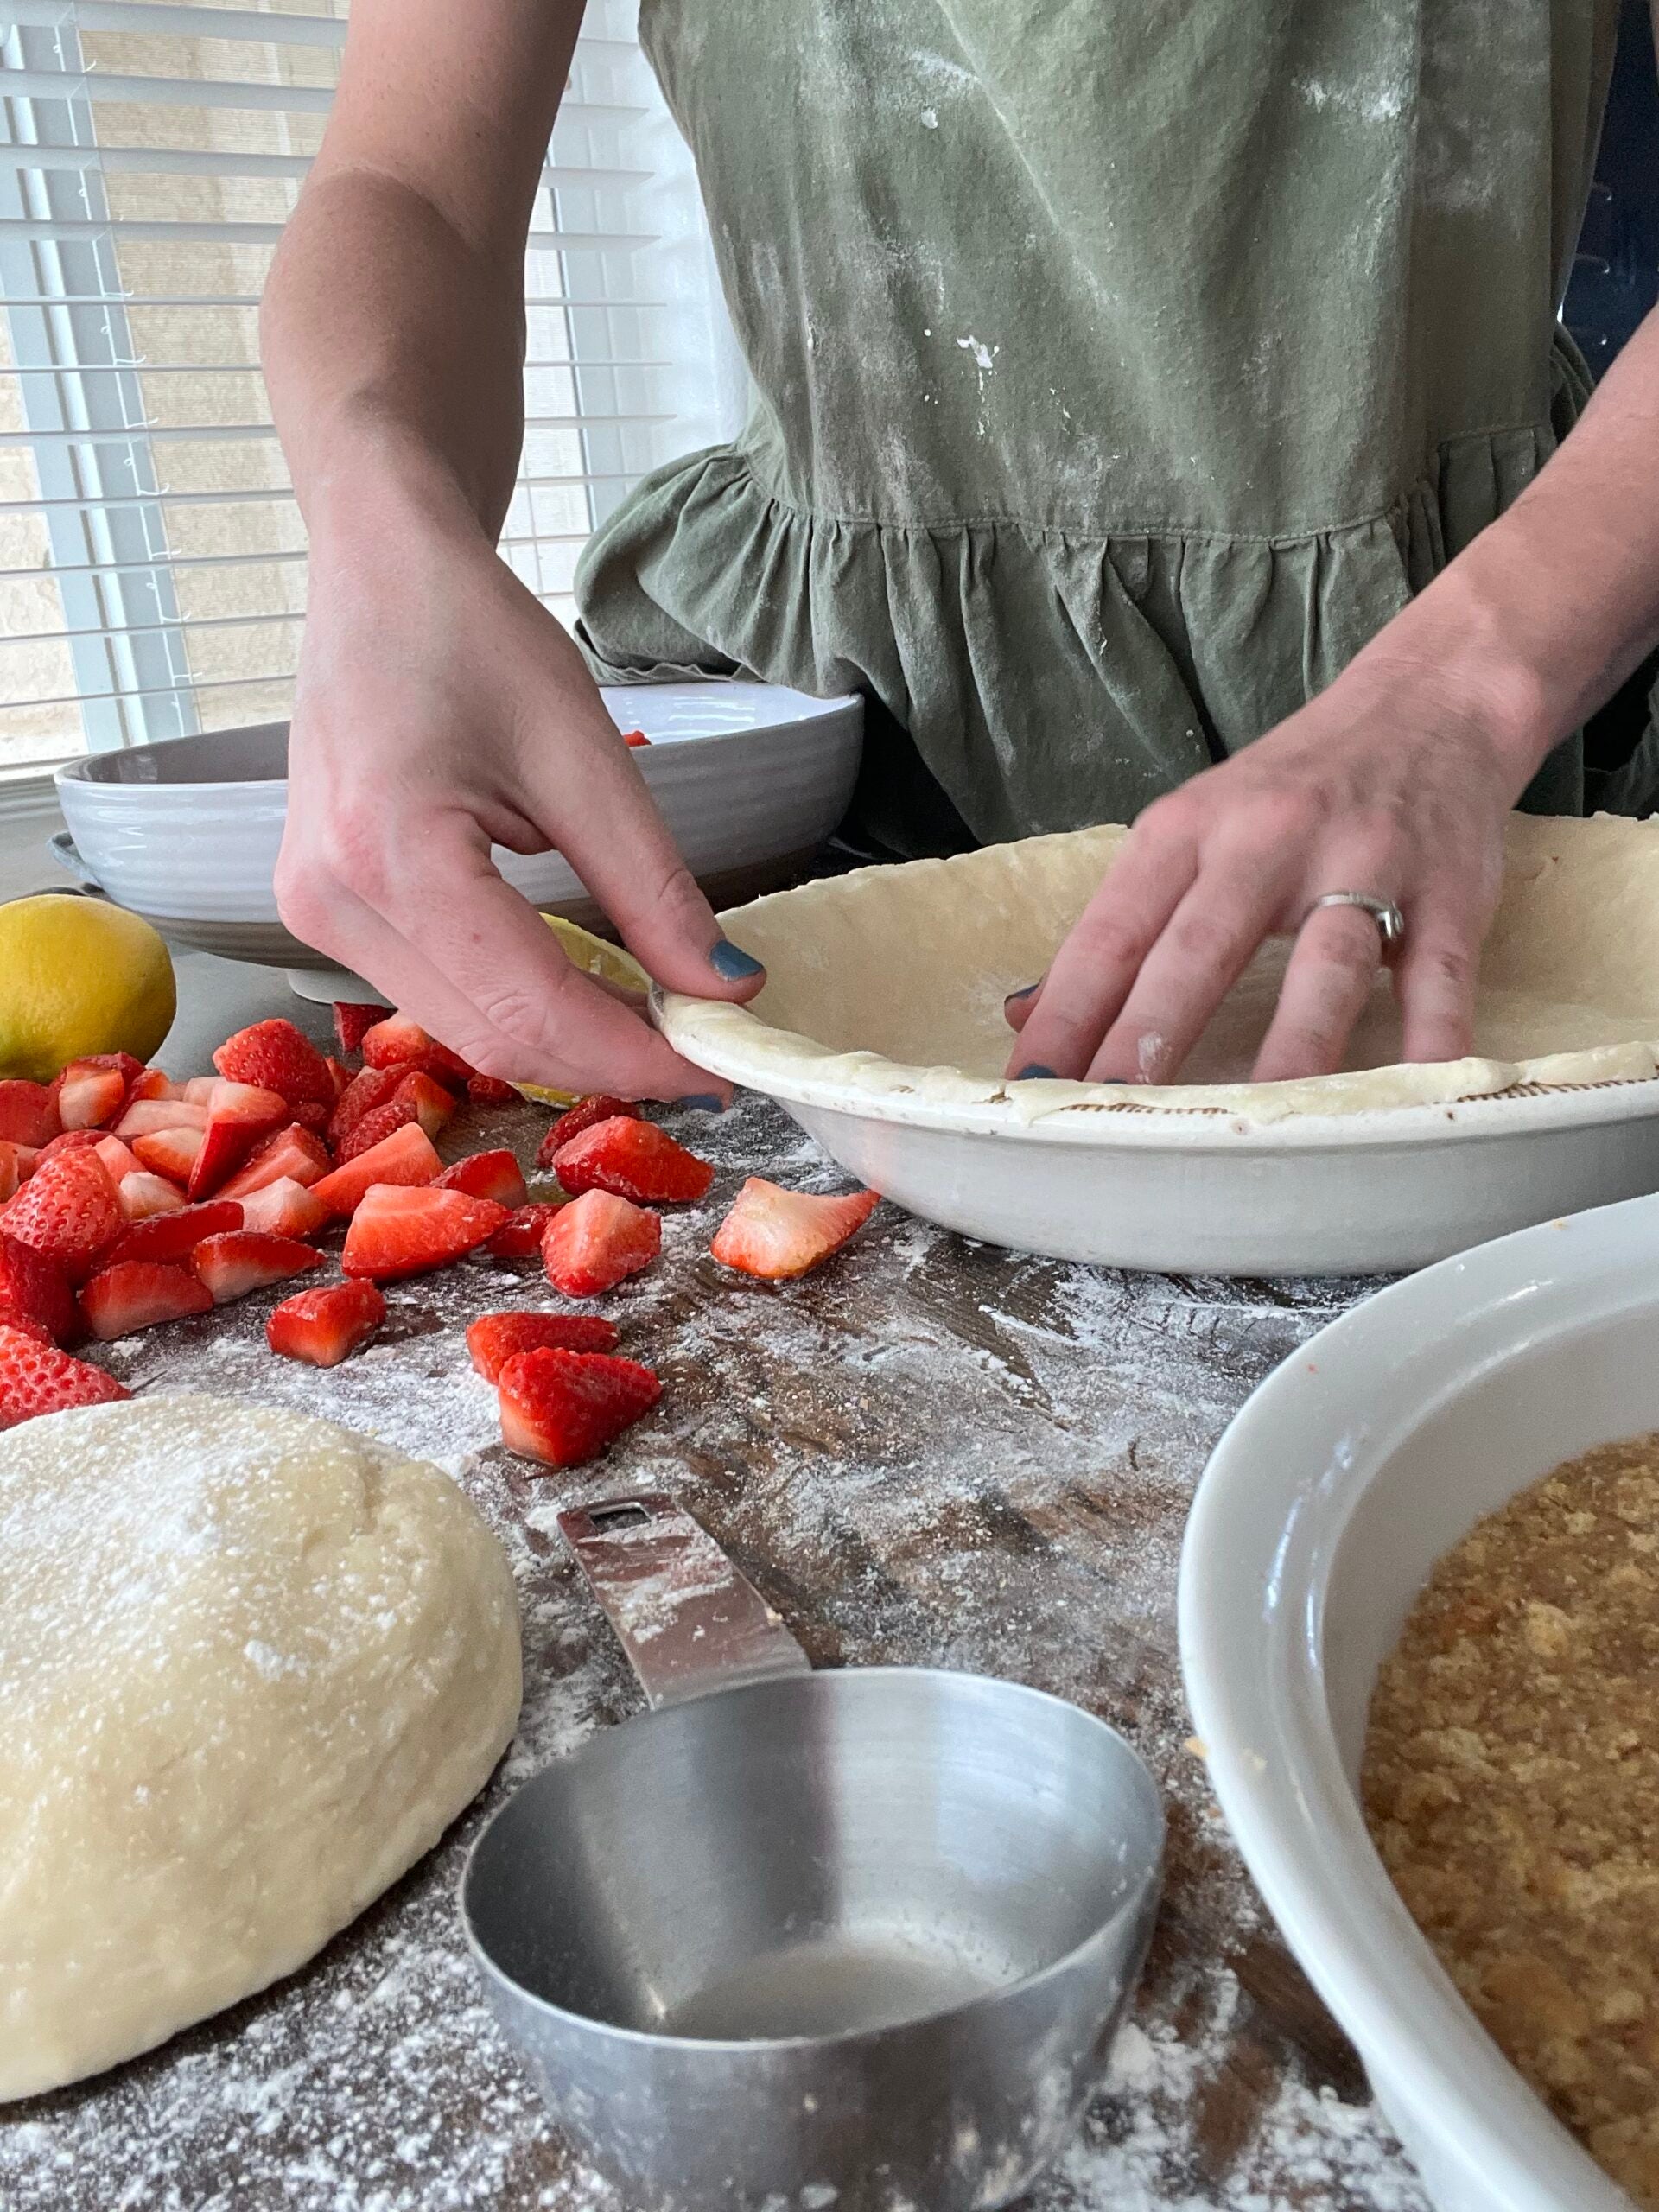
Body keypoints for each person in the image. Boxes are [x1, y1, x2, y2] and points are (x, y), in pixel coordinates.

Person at [263, 0, 1659, 1106]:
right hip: (835, 777)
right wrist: (381, 519)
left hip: (1517, 713)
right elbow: (409, 185)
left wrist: (1470, 686)